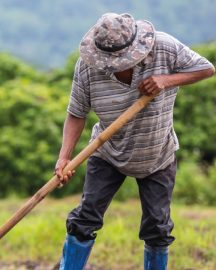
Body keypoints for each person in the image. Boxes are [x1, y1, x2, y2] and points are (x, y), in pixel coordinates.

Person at [54, 13, 215, 270]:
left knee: (158, 228)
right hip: (107, 152)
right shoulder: (87, 67)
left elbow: (206, 68)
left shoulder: (163, 47)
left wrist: (166, 80)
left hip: (157, 154)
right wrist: (64, 157)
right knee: (85, 219)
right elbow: (76, 113)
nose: (114, 64)